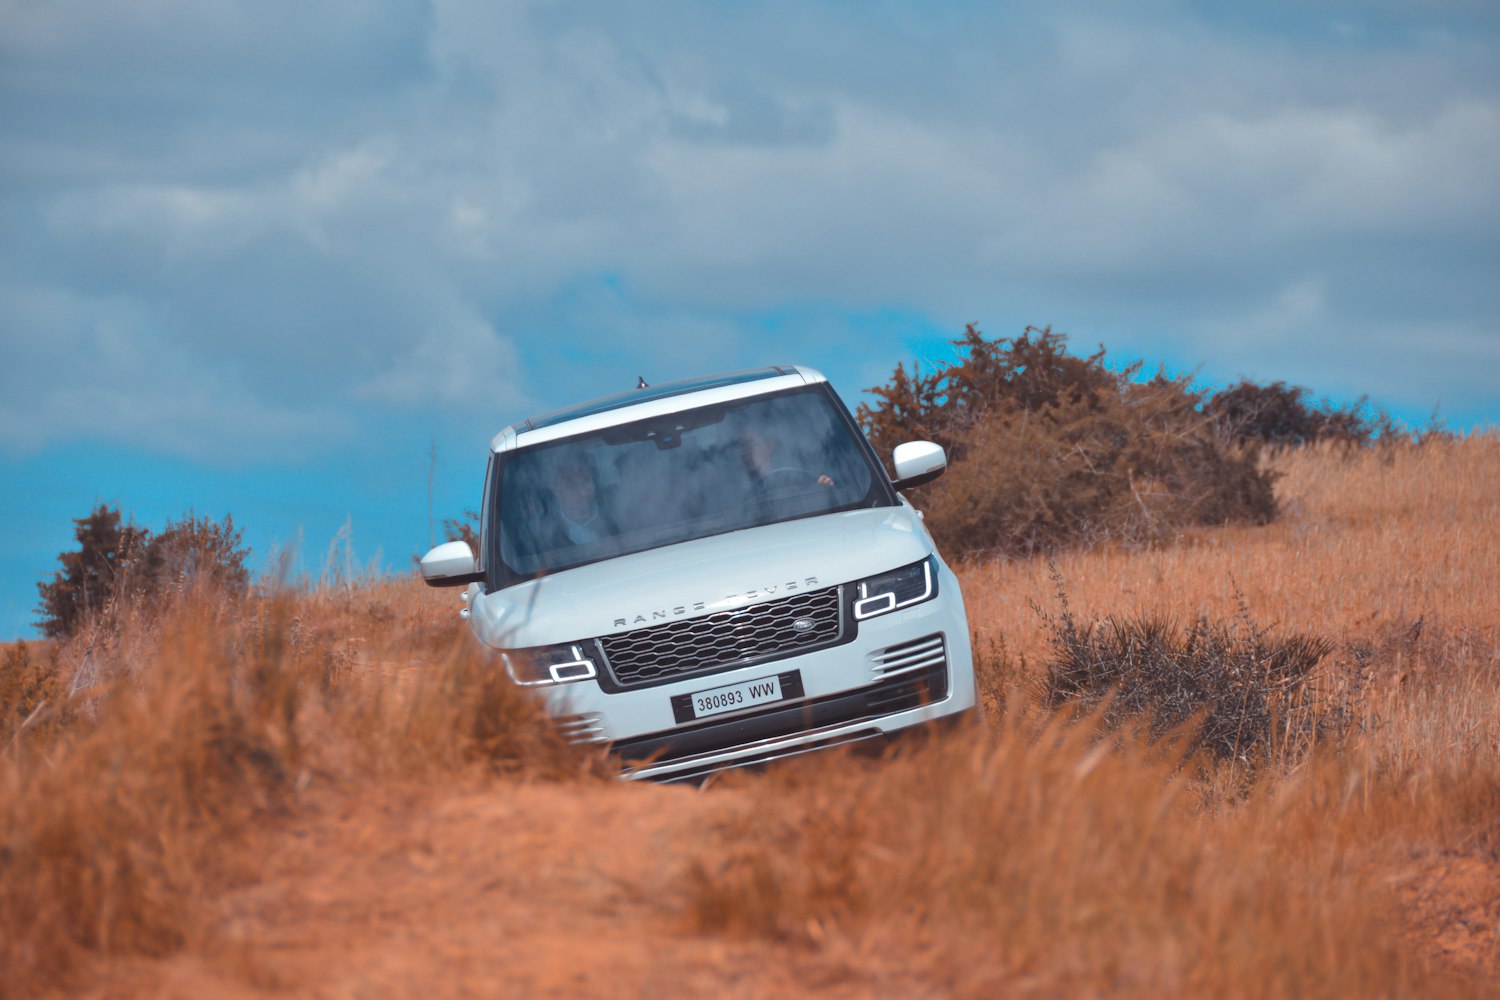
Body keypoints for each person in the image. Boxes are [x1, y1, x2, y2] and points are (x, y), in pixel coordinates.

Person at [543, 452, 616, 546]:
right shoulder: (545, 530)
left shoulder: (616, 513)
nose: (583, 493)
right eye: (572, 487)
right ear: (556, 491)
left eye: (586, 481)